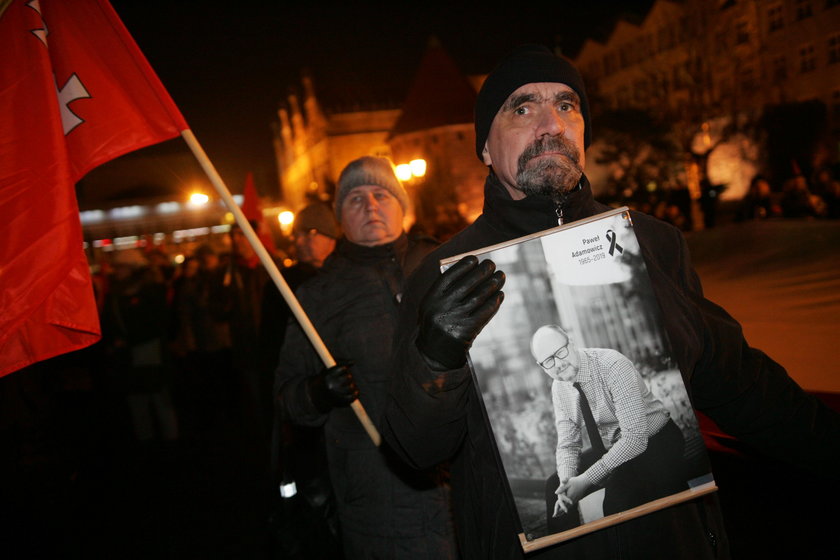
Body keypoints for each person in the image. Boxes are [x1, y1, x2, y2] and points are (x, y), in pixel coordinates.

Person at [382, 44, 840, 559]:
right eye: (523, 107)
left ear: (583, 132)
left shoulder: (653, 243)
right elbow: (414, 449)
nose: (550, 124)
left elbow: (740, 382)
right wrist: (435, 359)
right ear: (485, 147)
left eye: (567, 105)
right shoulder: (445, 276)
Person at [274, 156, 458, 559]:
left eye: (380, 194)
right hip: (376, 497)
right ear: (340, 217)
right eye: (355, 199)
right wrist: (319, 392)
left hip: (462, 484)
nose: (370, 206)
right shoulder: (318, 296)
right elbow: (287, 398)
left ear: (401, 206)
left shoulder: (444, 266)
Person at [530, 325, 685, 533]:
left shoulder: (611, 365)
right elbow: (568, 443)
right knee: (554, 487)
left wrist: (585, 480)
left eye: (560, 353)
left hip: (657, 441)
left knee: (617, 500)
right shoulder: (559, 387)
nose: (557, 364)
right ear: (542, 366)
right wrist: (566, 483)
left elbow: (635, 439)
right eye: (548, 361)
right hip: (615, 447)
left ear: (571, 343)